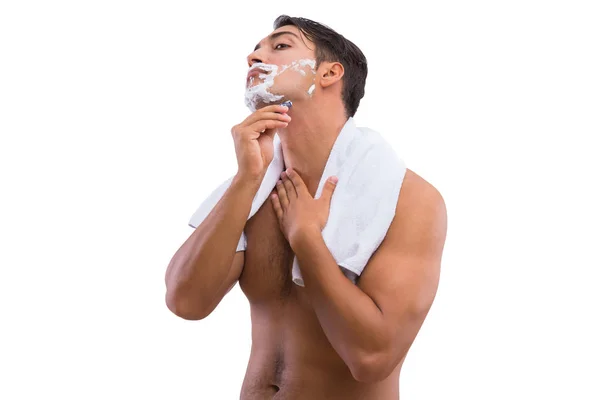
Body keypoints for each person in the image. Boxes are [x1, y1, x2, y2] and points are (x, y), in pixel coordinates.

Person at [165, 15, 447, 399]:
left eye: (280, 46)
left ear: (330, 73)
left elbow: (372, 358)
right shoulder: (255, 189)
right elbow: (186, 301)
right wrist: (246, 179)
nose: (254, 56)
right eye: (256, 48)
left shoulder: (408, 198)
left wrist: (308, 240)